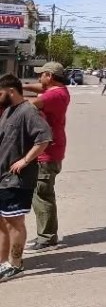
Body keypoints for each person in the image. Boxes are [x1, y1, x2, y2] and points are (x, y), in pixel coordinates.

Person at [0, 74, 53, 282]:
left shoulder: (27, 111)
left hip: (17, 179)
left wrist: (25, 160)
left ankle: (16, 264)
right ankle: (3, 261)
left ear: (11, 91)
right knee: (3, 222)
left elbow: (44, 137)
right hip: (3, 177)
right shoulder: (9, 111)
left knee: (14, 221)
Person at [21, 62, 71, 252]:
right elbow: (39, 88)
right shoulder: (59, 90)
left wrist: (11, 95)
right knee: (43, 194)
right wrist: (21, 86)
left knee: (41, 195)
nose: (39, 78)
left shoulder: (53, 95)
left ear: (49, 75)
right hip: (51, 149)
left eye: (41, 75)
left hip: (47, 152)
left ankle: (47, 238)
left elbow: (27, 105)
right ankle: (47, 234)